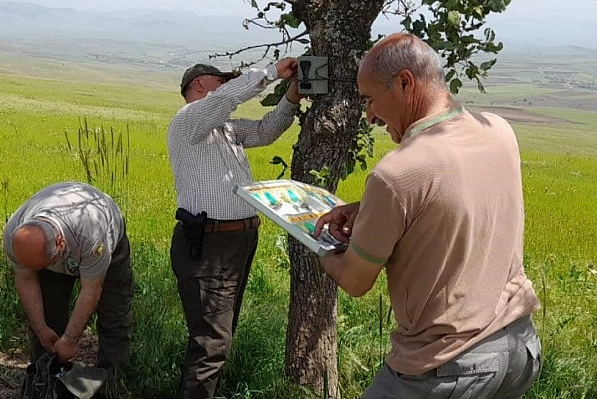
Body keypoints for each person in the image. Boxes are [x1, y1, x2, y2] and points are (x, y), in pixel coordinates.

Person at [313, 33, 542, 398]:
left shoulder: (397, 173)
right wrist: (368, 209)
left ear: (405, 82)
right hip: (518, 348)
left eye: (371, 99)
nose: (369, 115)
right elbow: (455, 195)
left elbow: (356, 281)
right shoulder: (499, 130)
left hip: (447, 367)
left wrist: (317, 243)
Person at [167, 58, 303, 398]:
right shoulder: (188, 120)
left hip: (236, 241)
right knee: (212, 342)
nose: (228, 85)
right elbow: (225, 99)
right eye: (222, 80)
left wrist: (292, 97)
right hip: (209, 243)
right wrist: (271, 72)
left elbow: (265, 131)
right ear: (199, 85)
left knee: (218, 336)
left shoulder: (225, 130)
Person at [3, 181, 133, 395]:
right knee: (48, 317)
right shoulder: (15, 235)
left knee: (114, 317)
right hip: (54, 248)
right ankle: (46, 383)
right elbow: (26, 279)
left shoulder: (92, 233)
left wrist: (70, 340)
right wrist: (42, 328)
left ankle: (110, 384)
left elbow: (92, 290)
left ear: (61, 243)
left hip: (106, 245)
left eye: (45, 265)